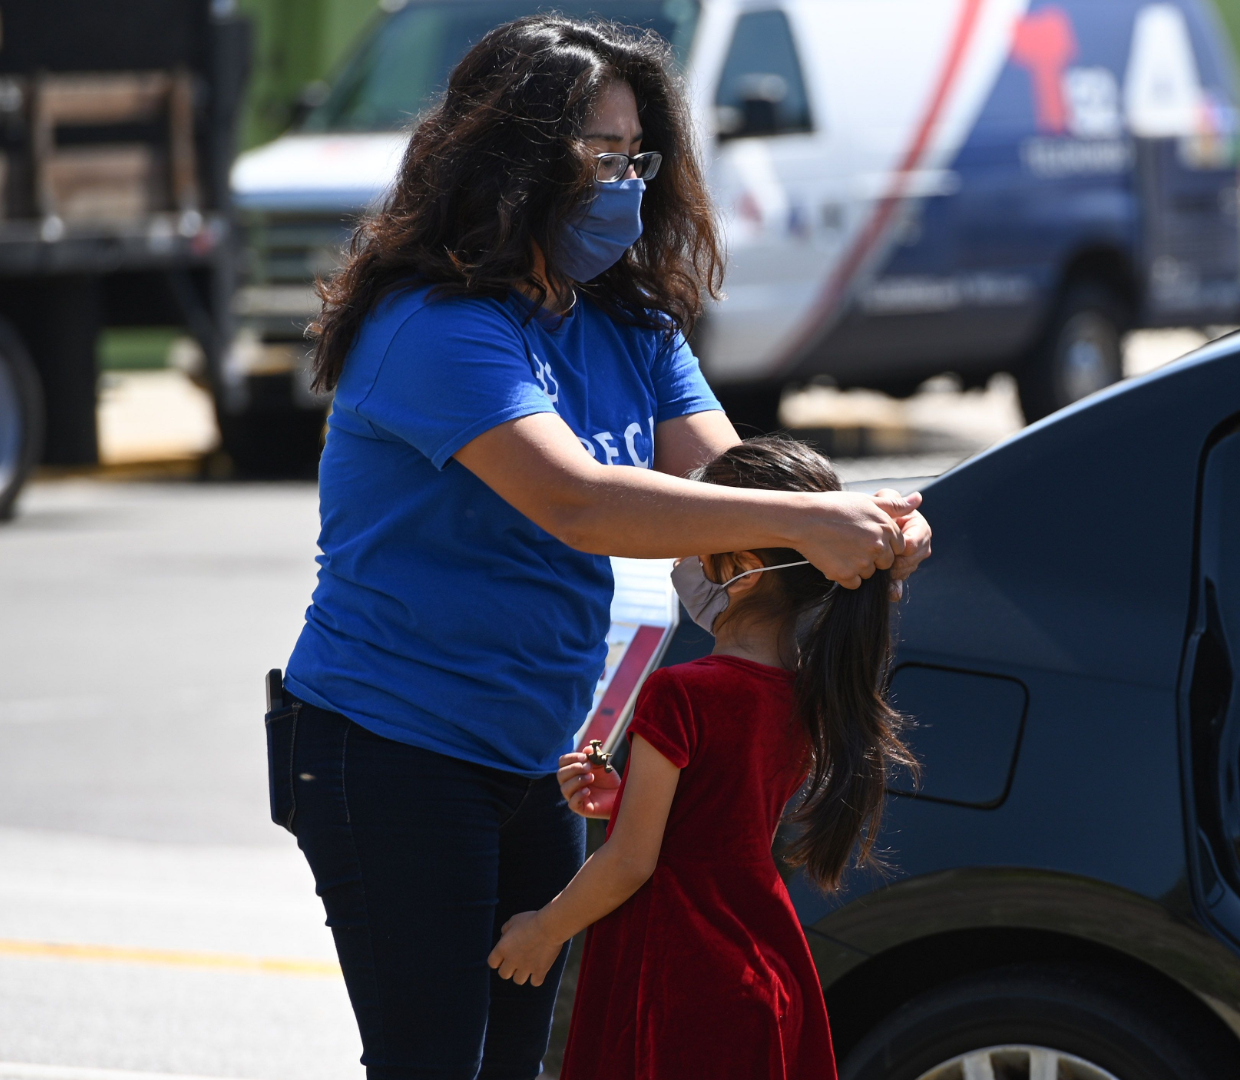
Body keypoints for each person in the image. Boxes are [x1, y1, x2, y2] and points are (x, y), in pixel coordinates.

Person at [273, 17, 930, 1080]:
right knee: (434, 1059)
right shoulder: (434, 327)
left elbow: (736, 493)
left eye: (638, 157)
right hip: (388, 746)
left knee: (519, 1055)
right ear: (510, 159)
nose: (623, 184)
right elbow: (577, 504)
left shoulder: (629, 328)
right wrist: (807, 523)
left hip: (534, 754)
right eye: (596, 156)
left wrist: (875, 514)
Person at [485, 436, 913, 1079]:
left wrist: (544, 930)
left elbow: (631, 861)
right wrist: (625, 797)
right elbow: (720, 813)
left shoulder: (684, 690)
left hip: (680, 970)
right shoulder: (809, 691)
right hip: (762, 961)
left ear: (737, 561)